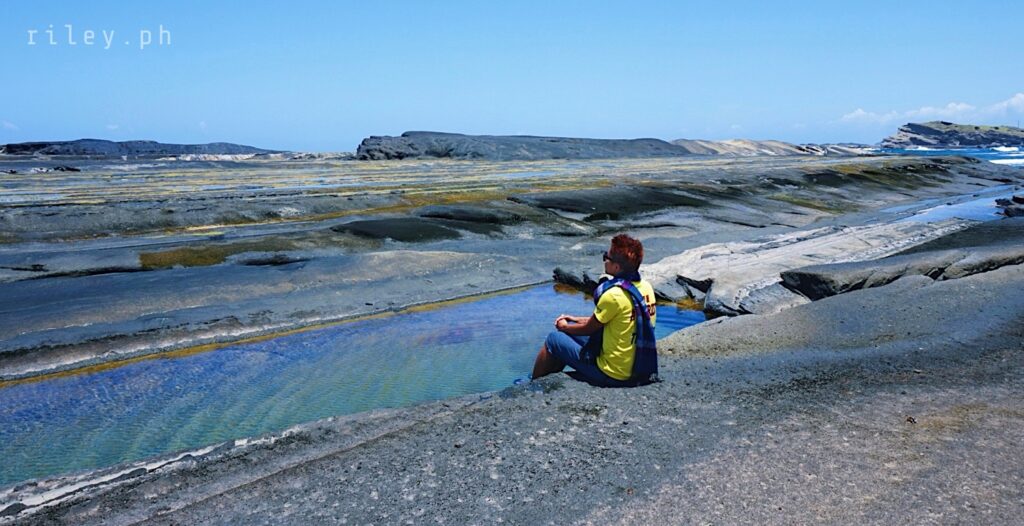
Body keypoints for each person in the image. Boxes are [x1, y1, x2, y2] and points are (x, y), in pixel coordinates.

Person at [531, 234, 658, 387]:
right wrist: (577, 319)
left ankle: (533, 384)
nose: (604, 260)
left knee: (554, 339)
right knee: (567, 336)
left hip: (613, 373)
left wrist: (564, 326)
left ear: (616, 267)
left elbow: (589, 328)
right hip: (638, 366)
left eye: (606, 257)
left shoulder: (614, 295)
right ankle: (546, 378)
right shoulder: (645, 287)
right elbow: (614, 321)